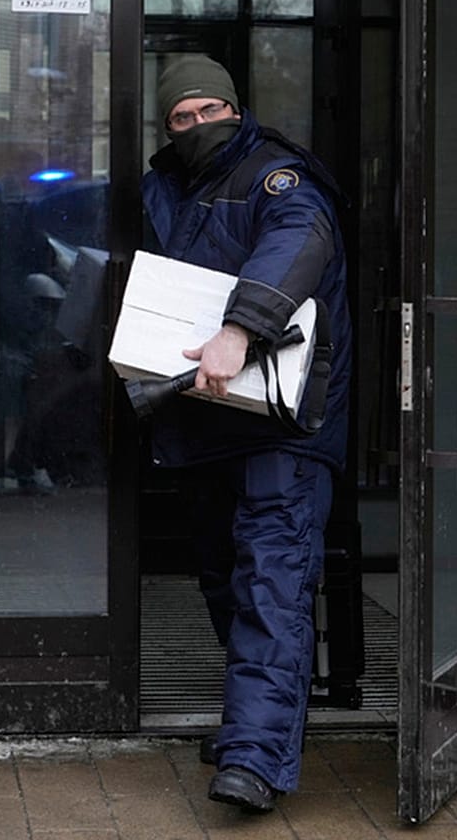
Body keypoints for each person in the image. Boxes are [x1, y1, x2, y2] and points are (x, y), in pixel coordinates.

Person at [141, 55, 351, 813]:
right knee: (226, 581)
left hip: (282, 423)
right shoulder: (164, 185)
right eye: (182, 116)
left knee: (272, 582)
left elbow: (297, 245)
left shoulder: (279, 178)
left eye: (210, 110)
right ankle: (255, 724)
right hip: (205, 417)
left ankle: (255, 760)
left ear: (235, 108)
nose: (199, 124)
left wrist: (240, 329)